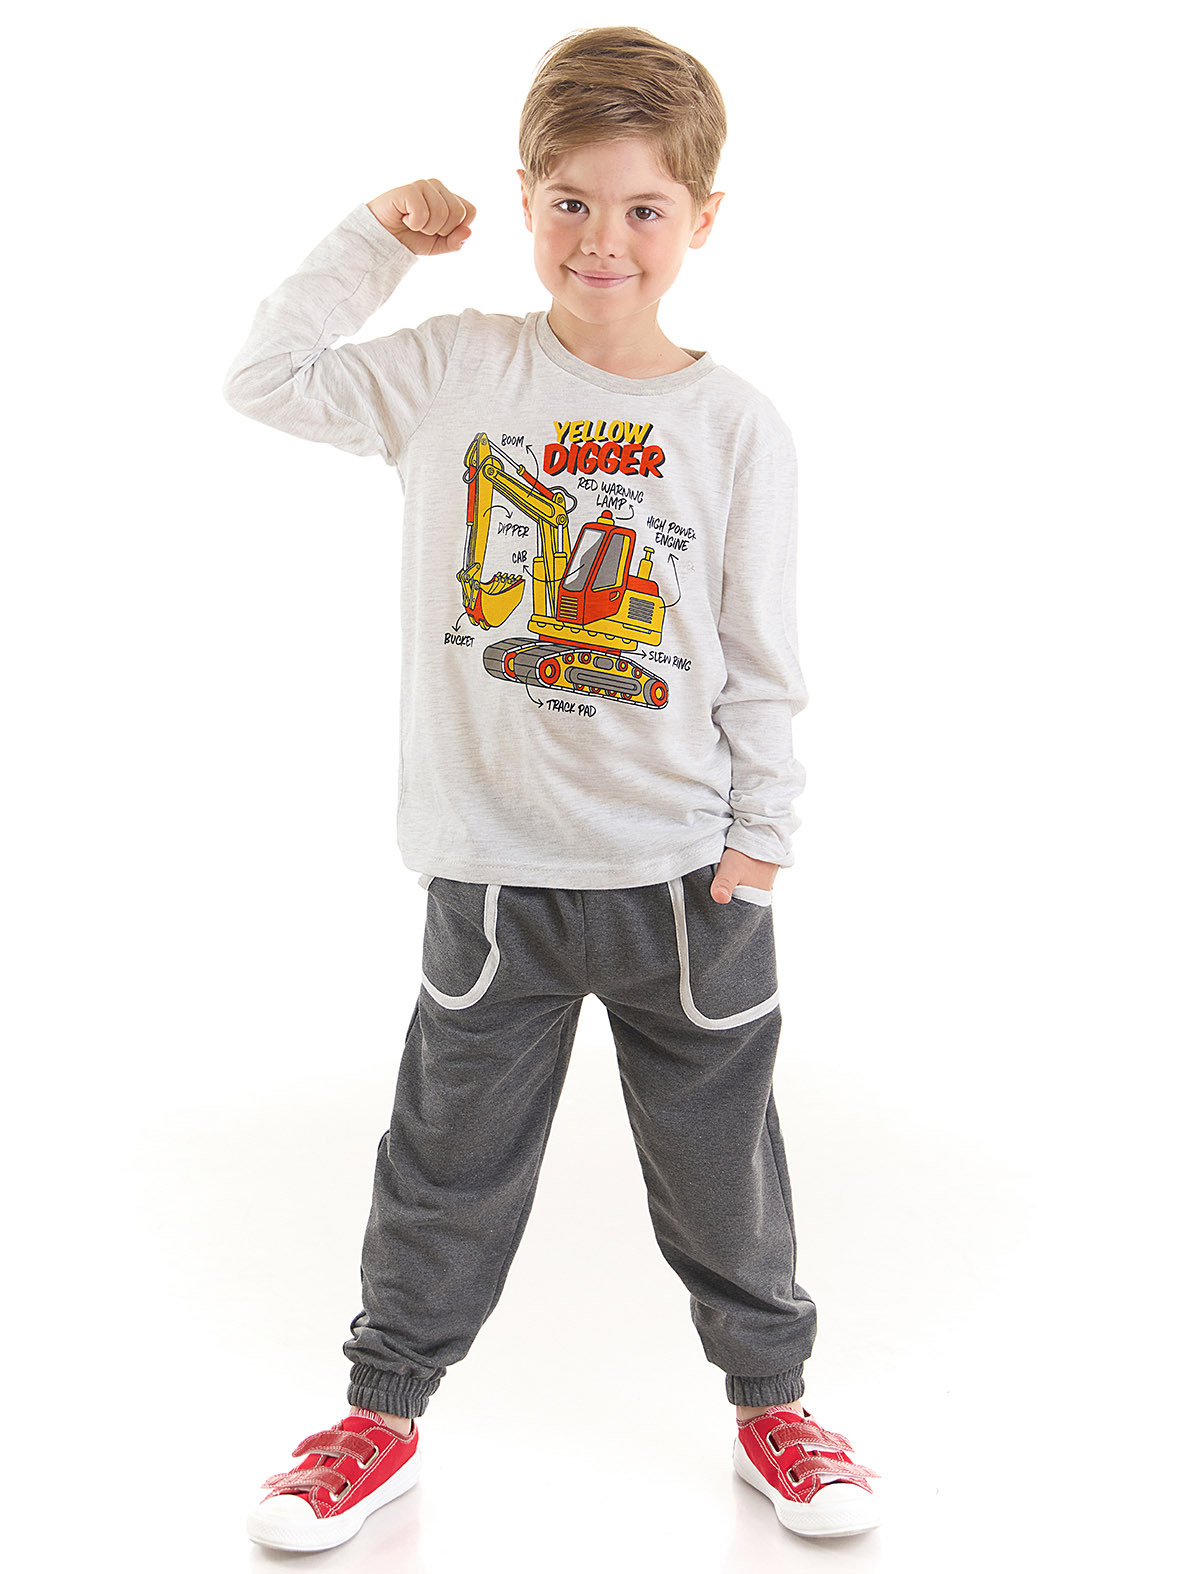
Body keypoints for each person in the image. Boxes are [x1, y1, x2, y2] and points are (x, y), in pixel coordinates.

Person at [223, 23, 880, 1553]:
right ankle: (380, 1413)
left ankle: (773, 1402)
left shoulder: (734, 423)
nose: (603, 239)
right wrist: (372, 238)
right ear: (524, 200)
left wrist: (761, 839)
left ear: (700, 218)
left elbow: (760, 652)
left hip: (683, 884)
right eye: (571, 202)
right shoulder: (455, 368)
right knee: (444, 1166)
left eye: (642, 208)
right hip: (491, 880)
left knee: (723, 1174)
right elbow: (265, 378)